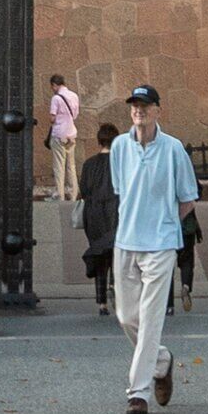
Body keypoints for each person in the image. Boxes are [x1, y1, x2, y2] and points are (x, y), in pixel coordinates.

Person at [106, 83, 200, 414]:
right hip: (126, 241)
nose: (139, 110)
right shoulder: (119, 147)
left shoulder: (174, 150)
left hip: (160, 245)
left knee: (150, 320)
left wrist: (165, 224)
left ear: (158, 110)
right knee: (126, 316)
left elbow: (188, 199)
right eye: (134, 105)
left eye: (145, 105)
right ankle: (161, 360)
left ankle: (138, 392)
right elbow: (122, 190)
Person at [77, 123, 119, 311]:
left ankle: (101, 302)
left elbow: (84, 190)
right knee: (117, 254)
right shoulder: (120, 163)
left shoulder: (89, 164)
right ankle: (114, 286)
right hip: (115, 212)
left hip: (93, 214)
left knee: (99, 254)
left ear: (99, 140)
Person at [43, 71, 81, 197]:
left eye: (52, 87)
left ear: (55, 85)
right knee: (71, 166)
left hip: (59, 134)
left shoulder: (56, 98)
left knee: (59, 166)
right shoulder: (74, 95)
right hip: (71, 133)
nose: (52, 89)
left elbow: (52, 118)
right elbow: (75, 115)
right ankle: (73, 194)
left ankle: (60, 195)